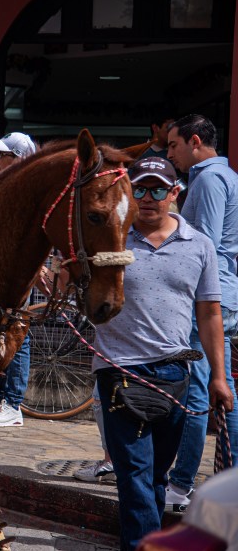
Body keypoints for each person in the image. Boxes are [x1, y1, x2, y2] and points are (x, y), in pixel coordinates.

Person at [93, 156, 231, 551]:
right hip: (119, 371)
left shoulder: (200, 245)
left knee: (155, 475)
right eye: (140, 189)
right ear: (129, 192)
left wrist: (219, 377)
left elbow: (209, 314)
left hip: (174, 374)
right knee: (134, 474)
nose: (149, 198)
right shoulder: (111, 239)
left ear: (175, 193)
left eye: (158, 190)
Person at [165, 114, 238, 511]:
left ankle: (180, 485)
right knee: (220, 387)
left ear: (195, 141)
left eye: (174, 145)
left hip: (208, 297)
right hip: (220, 293)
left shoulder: (208, 178)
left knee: (200, 392)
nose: (170, 153)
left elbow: (204, 245)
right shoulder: (223, 176)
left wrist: (171, 216)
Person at [0, 132, 39, 429]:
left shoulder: (27, 191)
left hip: (18, 274)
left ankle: (13, 403)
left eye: (2, 155)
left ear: (17, 159)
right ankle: (1, 395)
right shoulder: (5, 185)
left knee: (18, 333)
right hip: (2, 273)